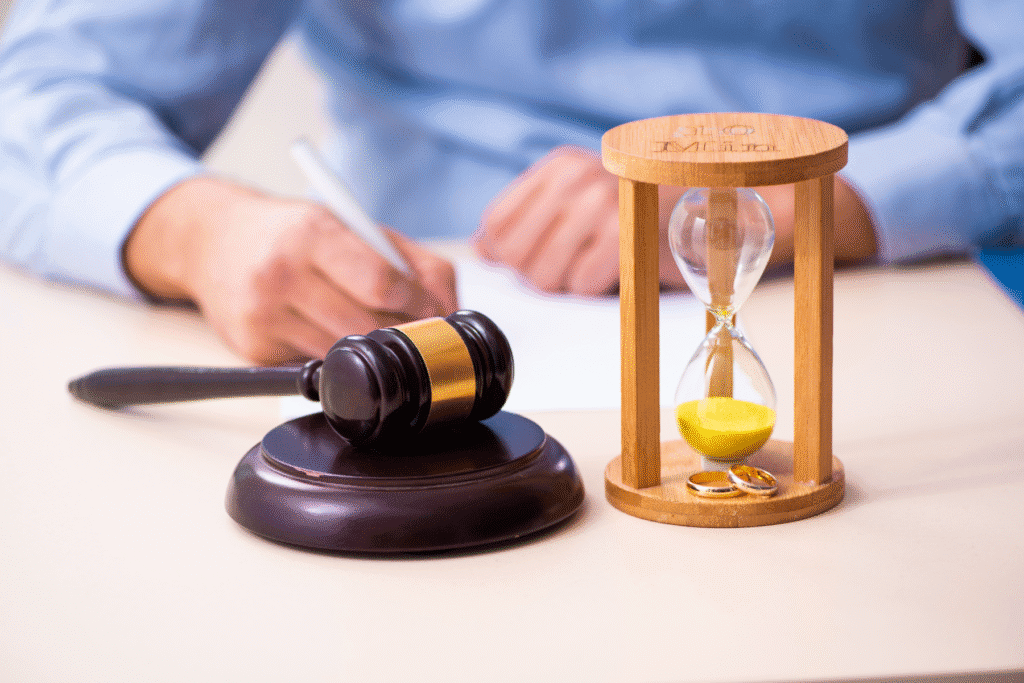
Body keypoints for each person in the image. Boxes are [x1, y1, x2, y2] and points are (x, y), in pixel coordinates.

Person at [1, 0, 1020, 364]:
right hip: (424, 321)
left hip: (871, 283)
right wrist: (197, 231)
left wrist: (793, 203)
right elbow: (40, 91)